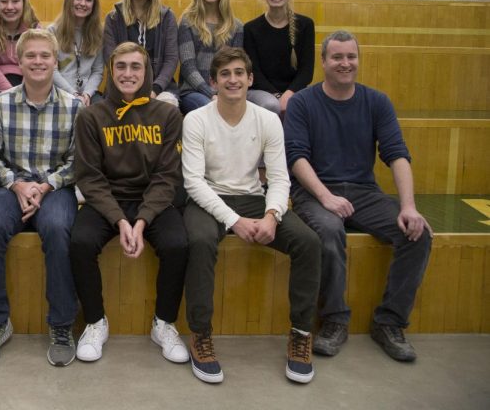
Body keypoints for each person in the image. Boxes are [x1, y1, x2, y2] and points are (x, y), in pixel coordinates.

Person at [284, 30, 432, 362]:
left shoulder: (376, 101)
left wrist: (409, 206)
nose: (345, 63)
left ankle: (389, 322)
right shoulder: (303, 103)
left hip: (364, 193)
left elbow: (397, 154)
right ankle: (335, 320)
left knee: (418, 234)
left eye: (351, 57)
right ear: (323, 62)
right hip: (314, 191)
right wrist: (325, 197)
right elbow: (296, 157)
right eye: (337, 57)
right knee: (330, 230)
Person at [182, 47, 321, 384]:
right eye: (225, 74)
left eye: (239, 73)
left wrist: (272, 215)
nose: (233, 80)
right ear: (213, 82)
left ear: (250, 79)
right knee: (199, 242)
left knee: (309, 242)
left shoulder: (268, 119)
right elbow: (193, 183)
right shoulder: (196, 119)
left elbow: (279, 178)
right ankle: (200, 335)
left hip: (254, 199)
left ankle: (301, 334)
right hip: (208, 199)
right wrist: (234, 221)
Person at [70, 42, 189, 364]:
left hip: (153, 198)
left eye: (135, 66)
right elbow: (89, 178)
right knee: (80, 241)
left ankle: (163, 323)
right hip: (107, 198)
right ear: (110, 70)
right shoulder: (91, 116)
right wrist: (120, 220)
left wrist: (142, 219)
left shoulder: (167, 115)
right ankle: (96, 322)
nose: (127, 73)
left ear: (147, 71)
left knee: (178, 244)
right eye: (120, 66)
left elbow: (168, 176)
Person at [0, 29, 82, 367]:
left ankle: (61, 325)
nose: (37, 61)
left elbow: (79, 161)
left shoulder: (74, 107)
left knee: (60, 229)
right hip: (10, 188)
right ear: (18, 62)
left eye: (44, 56)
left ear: (55, 61)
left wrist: (45, 186)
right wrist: (17, 185)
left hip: (55, 189)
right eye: (30, 55)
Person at [103, 0, 179, 106]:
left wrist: (154, 90)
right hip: (122, 86)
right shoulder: (113, 19)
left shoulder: (167, 17)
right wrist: (129, 89)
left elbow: (171, 59)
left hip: (159, 89)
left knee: (168, 106)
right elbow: (110, 59)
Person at [244, 0, 315, 114]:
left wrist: (289, 93)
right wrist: (277, 96)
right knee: (272, 105)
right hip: (261, 91)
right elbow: (254, 71)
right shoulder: (250, 28)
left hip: (295, 90)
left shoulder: (306, 25)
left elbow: (306, 70)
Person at [177, 0, 243, 114]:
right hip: (193, 91)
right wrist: (211, 93)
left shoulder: (236, 26)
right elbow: (188, 66)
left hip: (225, 91)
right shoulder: (188, 22)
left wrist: (223, 93)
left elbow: (236, 66)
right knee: (212, 109)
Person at [48, 0, 105, 106]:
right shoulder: (52, 31)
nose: (83, 3)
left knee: (102, 114)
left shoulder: (98, 34)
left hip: (87, 94)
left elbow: (97, 71)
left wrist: (87, 94)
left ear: (94, 5)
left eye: (88, 0)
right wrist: (73, 94)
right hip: (60, 91)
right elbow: (52, 70)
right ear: (69, 0)